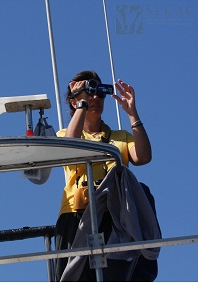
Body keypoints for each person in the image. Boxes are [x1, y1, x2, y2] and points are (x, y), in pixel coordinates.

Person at [53, 70, 152, 281]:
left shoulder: (119, 137)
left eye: (99, 93)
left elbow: (143, 157)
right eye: (90, 94)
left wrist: (132, 113)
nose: (95, 98)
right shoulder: (64, 134)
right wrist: (82, 102)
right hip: (77, 215)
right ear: (74, 102)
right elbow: (69, 147)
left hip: (114, 217)